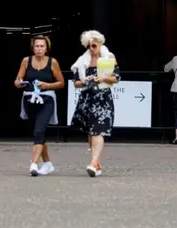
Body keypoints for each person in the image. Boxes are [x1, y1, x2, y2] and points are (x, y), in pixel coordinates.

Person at [70, 30, 120, 177]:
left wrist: (103, 78)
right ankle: (96, 164)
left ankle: (93, 163)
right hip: (87, 98)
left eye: (94, 46)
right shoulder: (82, 62)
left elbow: (116, 78)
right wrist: (86, 80)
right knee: (91, 133)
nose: (91, 49)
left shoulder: (109, 58)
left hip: (103, 98)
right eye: (88, 46)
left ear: (99, 45)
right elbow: (75, 83)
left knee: (98, 130)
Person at [14, 35, 65, 176]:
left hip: (46, 99)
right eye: (37, 46)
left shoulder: (52, 62)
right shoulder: (26, 61)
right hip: (29, 99)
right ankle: (48, 164)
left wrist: (47, 85)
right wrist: (19, 83)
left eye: (42, 46)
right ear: (33, 47)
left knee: (39, 130)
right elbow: (17, 80)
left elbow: (61, 82)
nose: (39, 49)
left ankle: (34, 164)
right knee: (38, 134)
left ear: (46, 48)